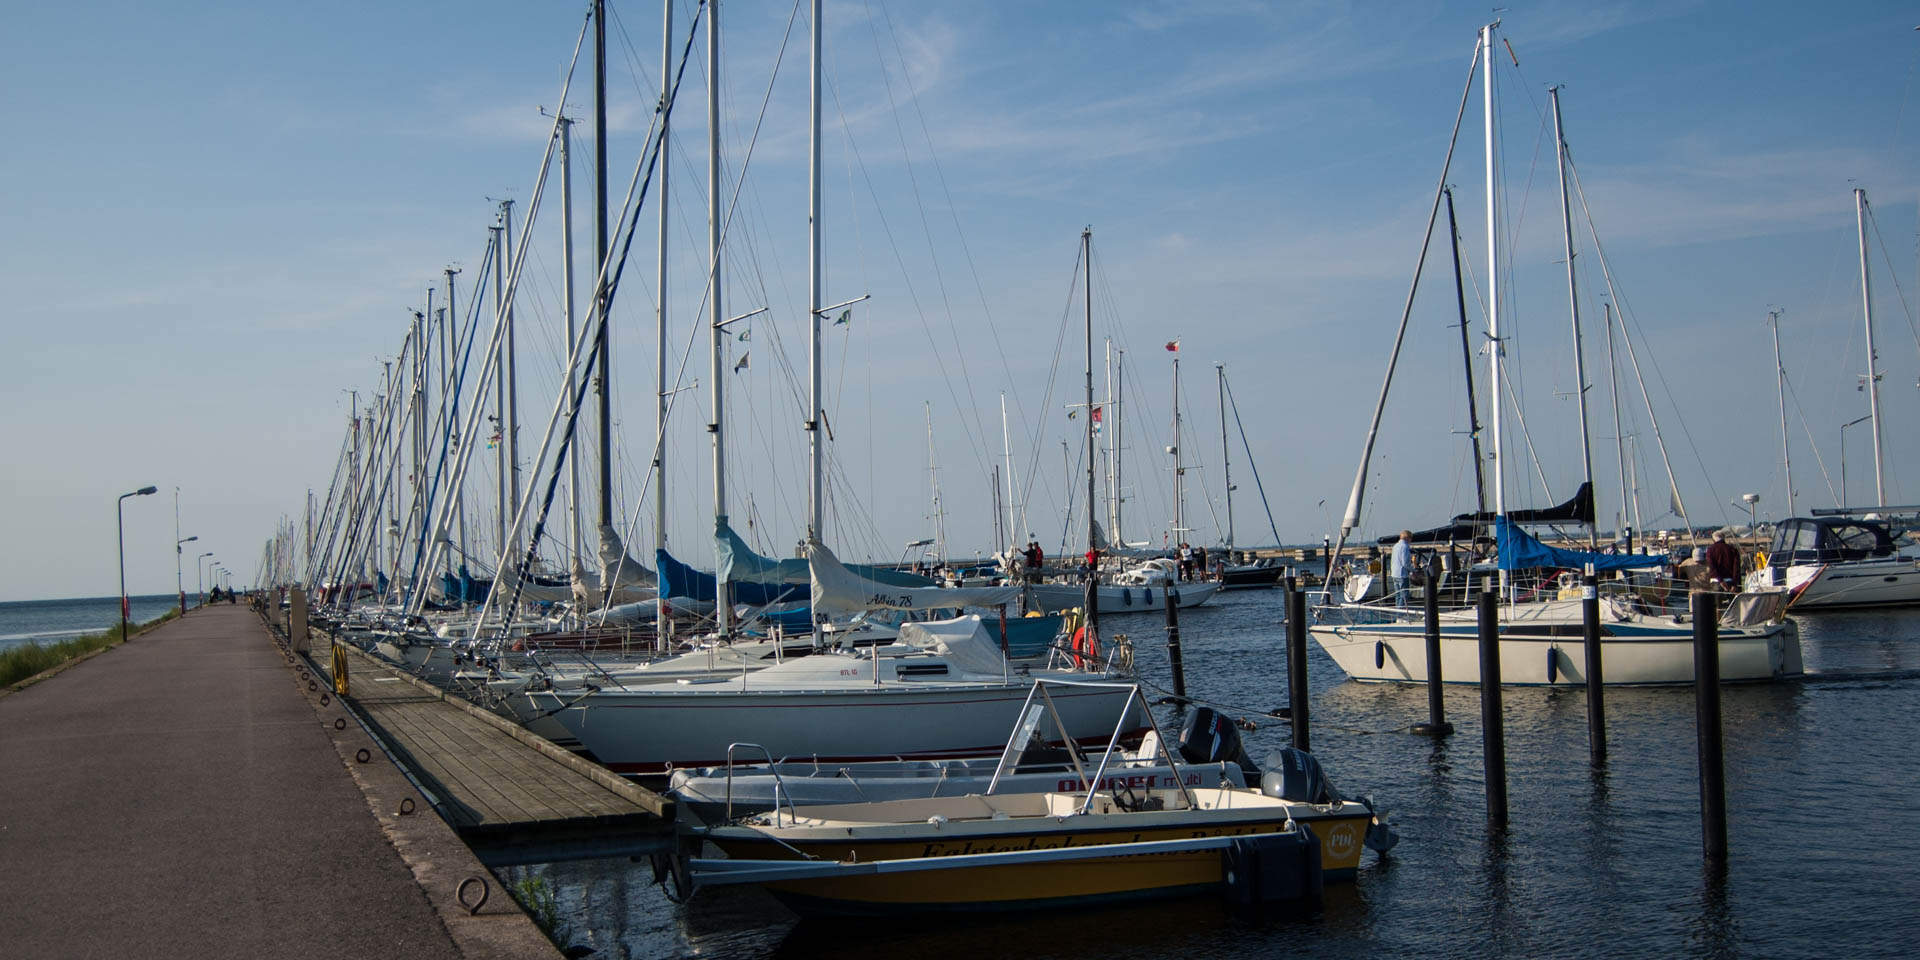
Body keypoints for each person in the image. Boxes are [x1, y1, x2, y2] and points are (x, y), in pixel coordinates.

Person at [1390, 530, 1413, 607]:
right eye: (1411, 538)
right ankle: (1400, 614)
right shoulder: (1405, 547)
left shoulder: (1395, 546)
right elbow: (1405, 563)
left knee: (1398, 595)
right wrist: (1413, 570)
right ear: (1408, 538)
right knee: (1404, 596)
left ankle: (1398, 613)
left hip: (1394, 574)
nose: (1411, 541)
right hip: (1402, 574)